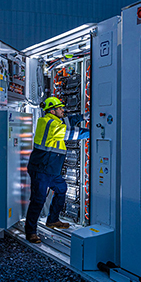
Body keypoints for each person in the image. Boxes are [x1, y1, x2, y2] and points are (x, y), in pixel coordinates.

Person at [24, 96, 89, 244]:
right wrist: (92, 132)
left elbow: (68, 121)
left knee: (61, 189)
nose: (63, 110)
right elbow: (68, 133)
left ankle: (52, 220)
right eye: (60, 108)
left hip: (51, 170)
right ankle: (30, 232)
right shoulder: (47, 123)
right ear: (52, 111)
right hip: (41, 169)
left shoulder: (54, 121)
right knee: (38, 200)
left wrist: (84, 116)